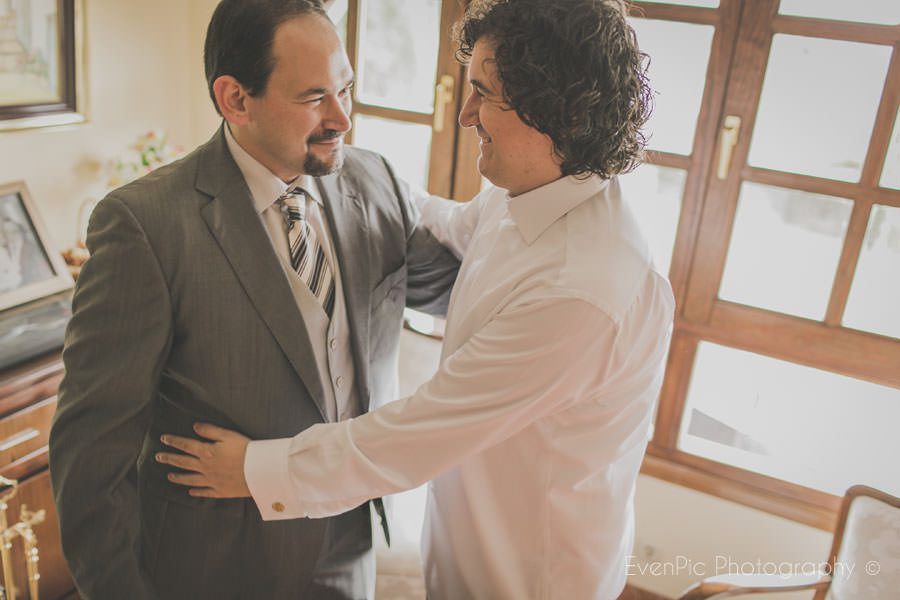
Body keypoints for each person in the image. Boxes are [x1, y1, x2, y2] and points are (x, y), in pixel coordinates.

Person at [158, 0, 674, 598]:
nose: (465, 114)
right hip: (462, 549)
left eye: (484, 94)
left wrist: (253, 471)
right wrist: (357, 179)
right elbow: (450, 223)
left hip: (530, 575)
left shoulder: (583, 292)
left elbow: (417, 433)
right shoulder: (531, 192)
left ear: (558, 112)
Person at [48, 0, 458, 598]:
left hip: (350, 551)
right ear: (235, 99)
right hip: (212, 569)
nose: (342, 117)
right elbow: (89, 457)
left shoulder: (377, 182)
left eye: (346, 88)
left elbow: (467, 292)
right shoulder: (145, 225)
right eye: (314, 97)